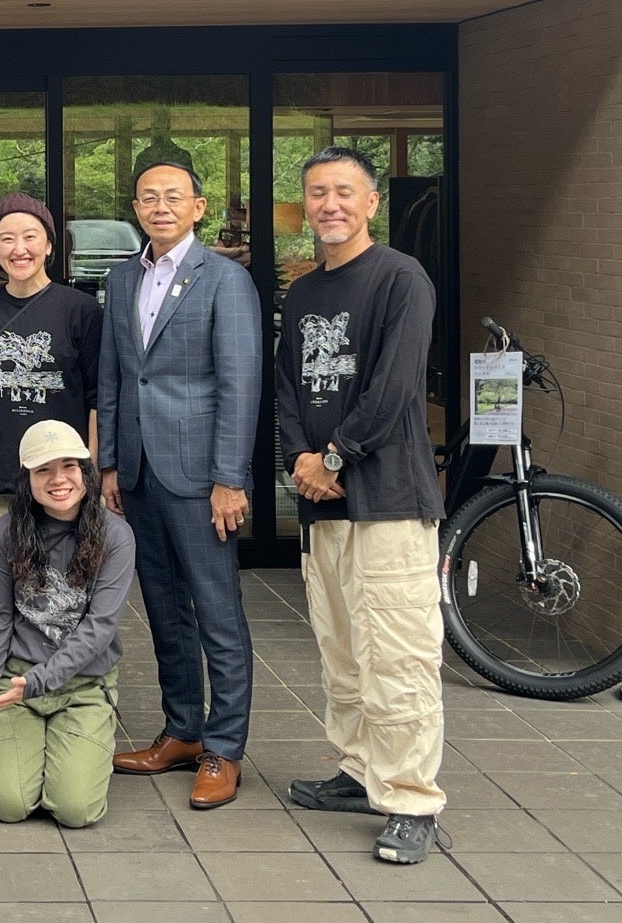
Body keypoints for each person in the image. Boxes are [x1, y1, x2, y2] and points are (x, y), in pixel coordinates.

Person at [276, 145, 446, 866]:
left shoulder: (402, 279)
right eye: (318, 194)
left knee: (398, 654)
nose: (330, 205)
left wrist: (335, 457)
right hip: (325, 506)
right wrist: (299, 463)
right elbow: (285, 388)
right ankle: (357, 770)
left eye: (344, 192)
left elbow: (396, 385)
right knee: (342, 650)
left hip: (387, 501)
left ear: (372, 202)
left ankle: (410, 797)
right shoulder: (306, 289)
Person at [100, 162, 262, 809]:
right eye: (148, 197)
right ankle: (182, 731)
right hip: (138, 470)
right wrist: (109, 464)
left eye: (174, 197)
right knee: (164, 607)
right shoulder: (120, 278)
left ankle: (224, 748)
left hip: (200, 477)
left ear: (198, 207)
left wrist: (230, 477)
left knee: (217, 611)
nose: (160, 206)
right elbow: (116, 377)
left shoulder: (226, 279)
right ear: (135, 208)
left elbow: (239, 382)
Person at [0, 420, 136, 827]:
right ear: (27, 478)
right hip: (14, 683)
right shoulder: (7, 532)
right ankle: (38, 752)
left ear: (86, 470)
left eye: (69, 465)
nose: (58, 479)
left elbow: (99, 628)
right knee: (7, 806)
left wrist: (41, 680)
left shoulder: (116, 536)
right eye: (43, 470)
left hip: (82, 684)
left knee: (75, 810)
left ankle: (72, 749)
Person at [0, 193, 103, 535]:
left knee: (70, 581)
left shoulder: (82, 310)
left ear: (49, 245)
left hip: (65, 479)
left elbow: (96, 399)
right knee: (5, 580)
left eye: (30, 237)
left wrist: (90, 469)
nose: (19, 249)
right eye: (7, 239)